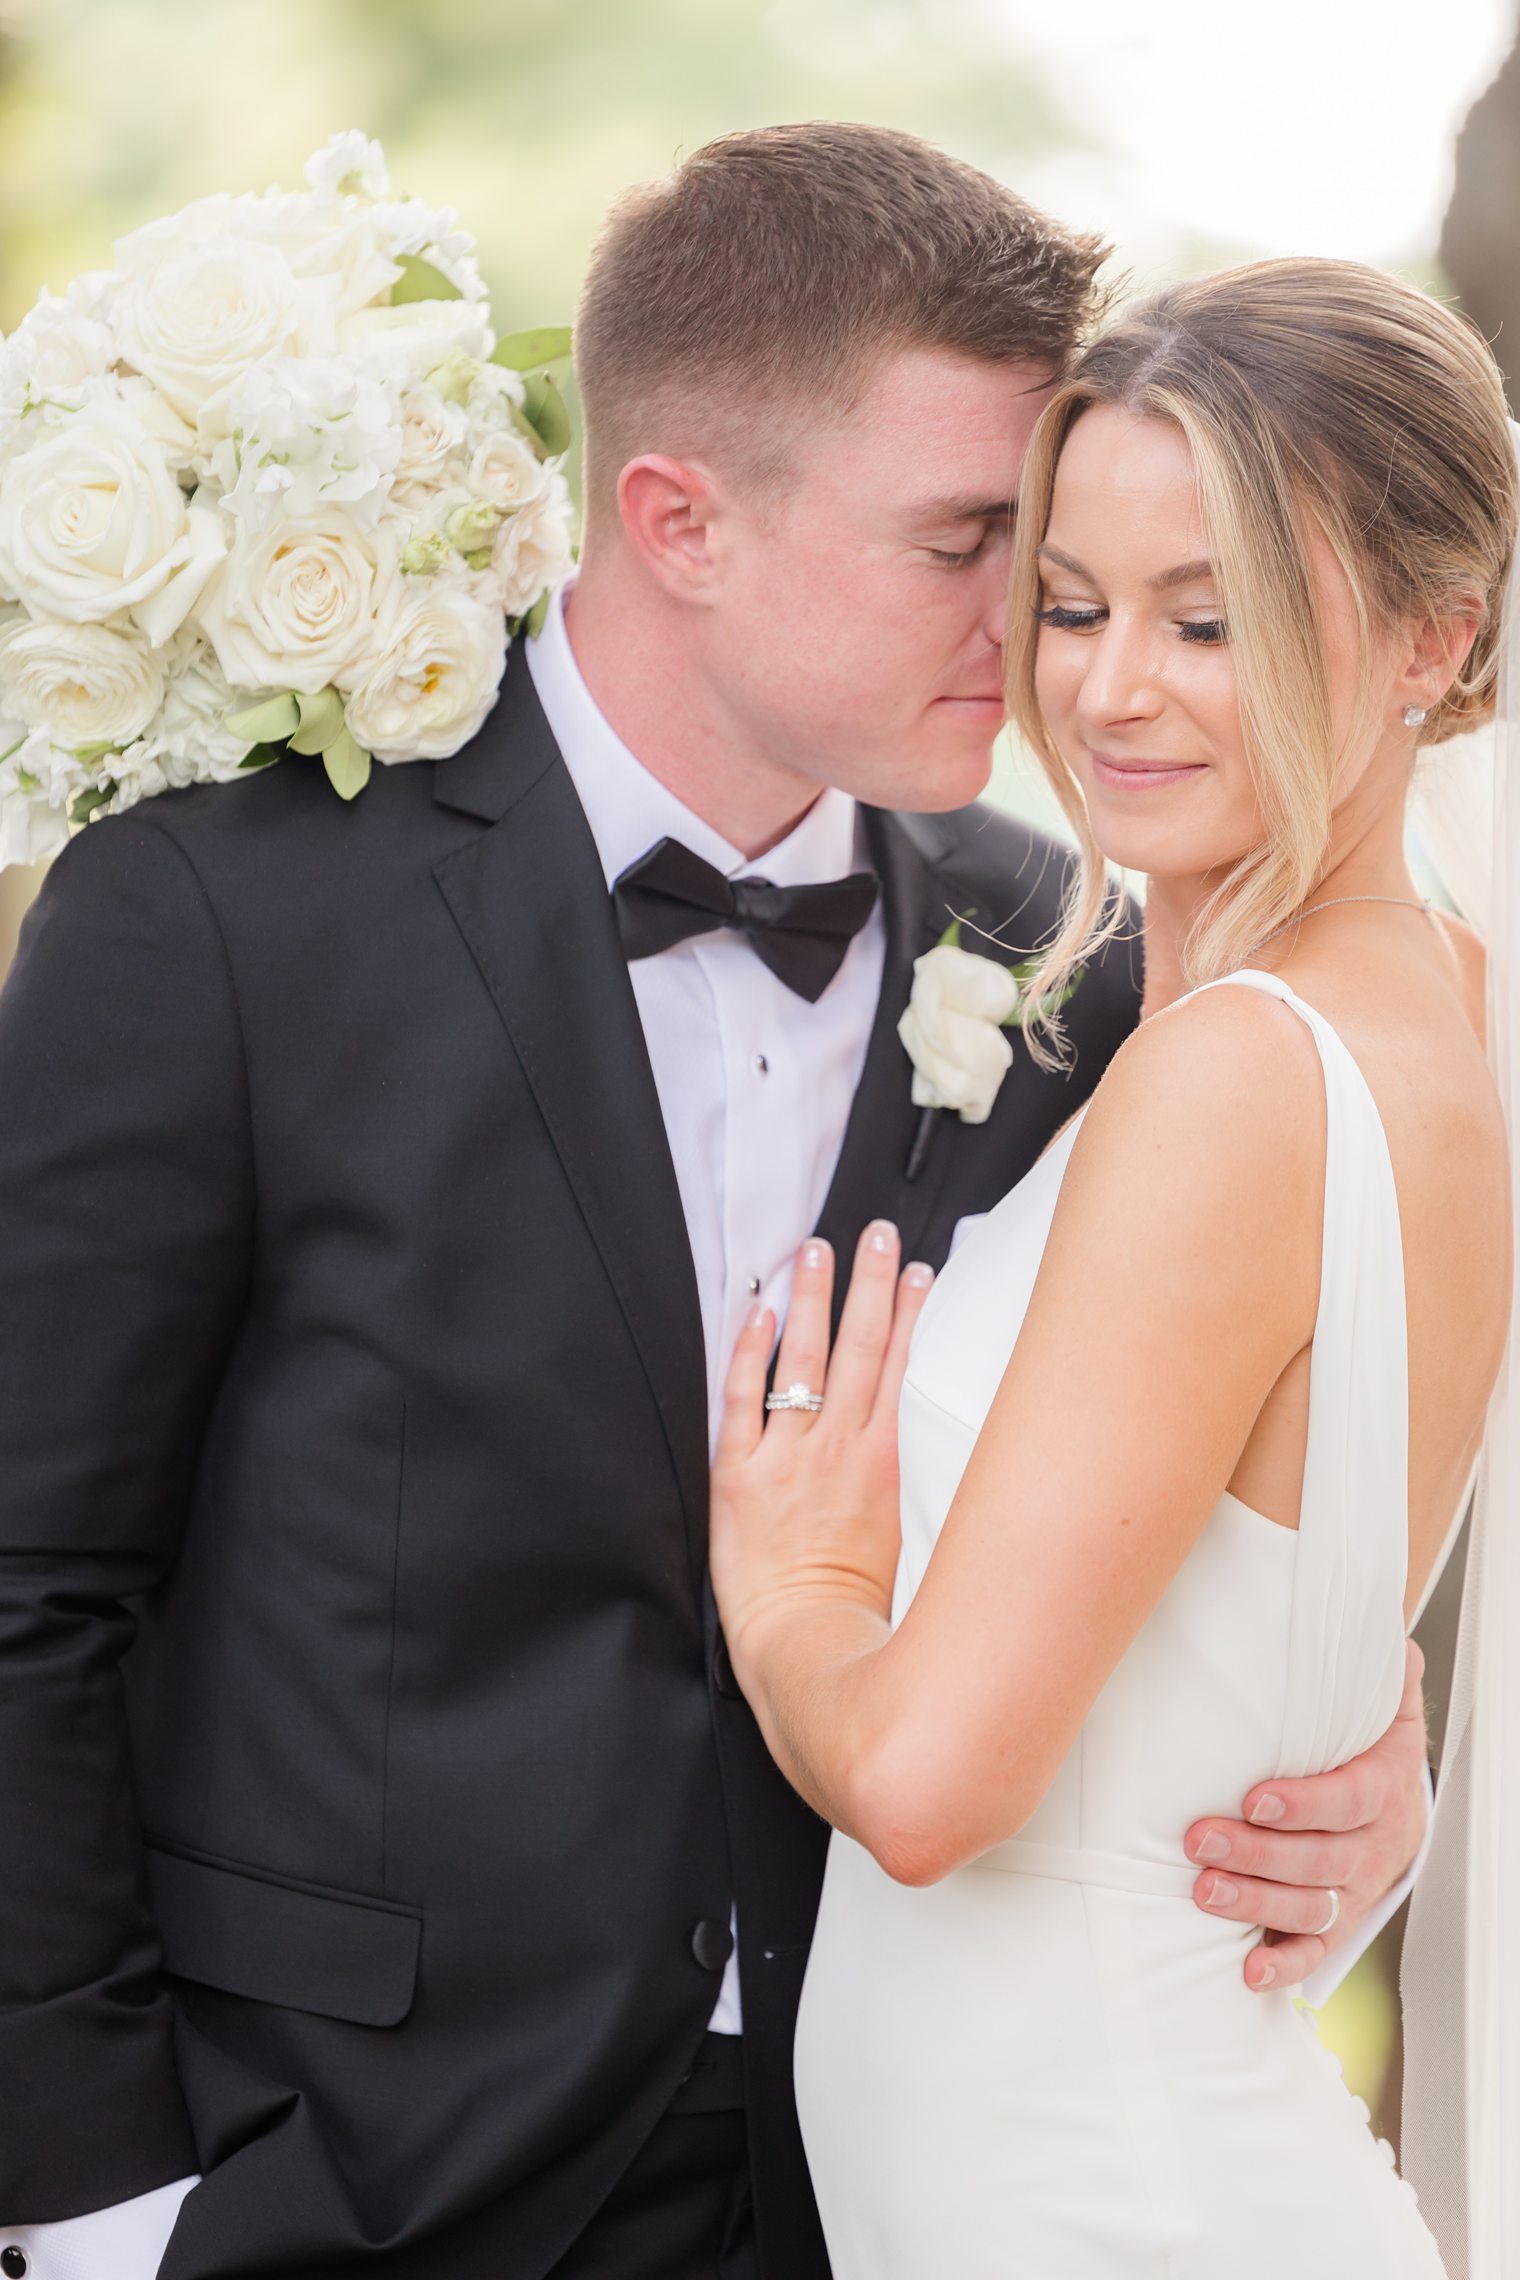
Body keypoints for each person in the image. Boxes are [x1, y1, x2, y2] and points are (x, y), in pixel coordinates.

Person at [0, 136, 1429, 2280]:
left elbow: (1205, 1464)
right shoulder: (220, 914)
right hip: (345, 2178)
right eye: (973, 544)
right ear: (678, 518)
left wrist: (1355, 1761)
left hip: (873, 2185)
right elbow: (31, 1585)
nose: (1037, 636)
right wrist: (100, 2201)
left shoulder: (1078, 960)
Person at [708, 255, 1515, 2276]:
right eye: (1067, 606)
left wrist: (799, 1585)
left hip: (1102, 2195)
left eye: (1209, 620)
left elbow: (919, 1783)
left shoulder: (1238, 1083)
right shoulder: (1448, 1004)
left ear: (1437, 632)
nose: (1106, 687)